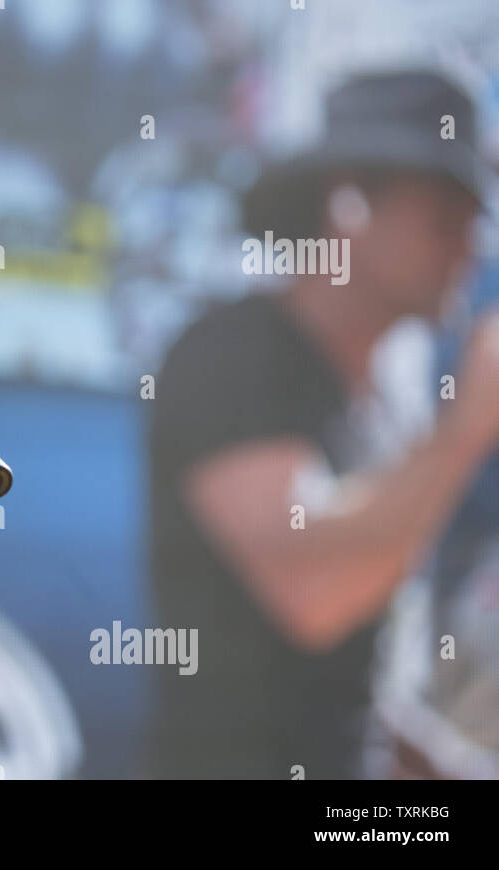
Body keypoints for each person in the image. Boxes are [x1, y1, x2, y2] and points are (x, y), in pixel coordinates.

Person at [144, 68, 499, 778]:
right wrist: (469, 426)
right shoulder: (231, 355)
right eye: (445, 219)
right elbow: (313, 593)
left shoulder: (381, 403)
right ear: (349, 211)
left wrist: (447, 763)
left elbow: (350, 688)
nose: (471, 248)